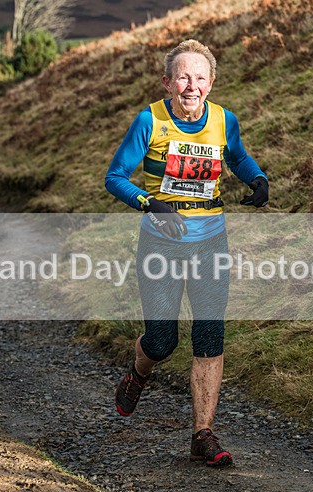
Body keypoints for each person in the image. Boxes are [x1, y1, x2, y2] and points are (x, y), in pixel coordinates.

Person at [105, 39, 269, 468]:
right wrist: (151, 203)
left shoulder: (222, 120)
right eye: (183, 76)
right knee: (162, 340)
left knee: (209, 336)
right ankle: (138, 371)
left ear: (211, 83)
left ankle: (203, 434)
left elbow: (236, 155)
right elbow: (115, 176)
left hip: (211, 242)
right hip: (160, 244)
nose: (191, 85)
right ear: (167, 82)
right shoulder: (150, 121)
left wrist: (257, 178)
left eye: (199, 77)